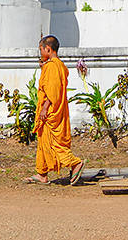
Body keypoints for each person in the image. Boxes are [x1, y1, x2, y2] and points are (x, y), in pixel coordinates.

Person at [25, 35, 85, 185]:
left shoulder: (52, 66)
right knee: (44, 142)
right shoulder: (57, 65)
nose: (40, 53)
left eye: (41, 49)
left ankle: (75, 163)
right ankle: (42, 174)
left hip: (51, 110)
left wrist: (45, 108)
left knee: (54, 143)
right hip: (56, 109)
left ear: (48, 49)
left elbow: (52, 91)